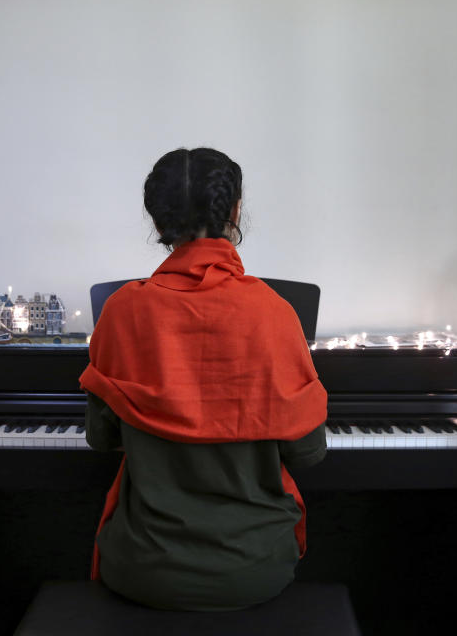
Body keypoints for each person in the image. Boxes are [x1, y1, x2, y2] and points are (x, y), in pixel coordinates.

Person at [79, 147, 328, 611]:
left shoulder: (121, 312)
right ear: (234, 212)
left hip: (142, 565)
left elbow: (101, 439)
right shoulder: (275, 314)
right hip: (256, 568)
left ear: (157, 221)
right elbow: (308, 453)